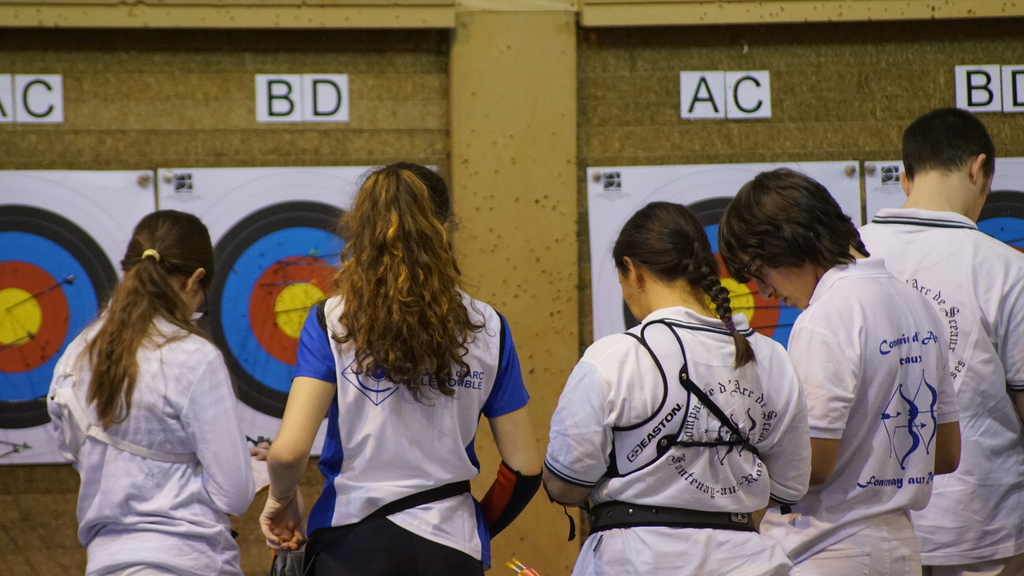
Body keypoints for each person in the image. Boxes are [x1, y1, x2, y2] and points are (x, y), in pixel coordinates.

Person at [259, 163, 542, 576]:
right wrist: (472, 525)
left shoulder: (332, 320)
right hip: (452, 547)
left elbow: (288, 453)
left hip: (351, 543)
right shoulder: (489, 327)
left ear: (362, 231)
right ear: (445, 229)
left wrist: (281, 499)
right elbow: (524, 469)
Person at [544, 201, 812, 576]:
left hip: (637, 562)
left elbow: (565, 485)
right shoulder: (772, 358)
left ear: (633, 271)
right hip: (748, 561)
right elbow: (788, 486)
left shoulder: (612, 358)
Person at [719, 168, 962, 575]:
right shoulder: (916, 304)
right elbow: (946, 453)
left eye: (759, 271)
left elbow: (810, 466)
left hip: (828, 549)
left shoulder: (826, 315)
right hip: (900, 546)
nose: (765, 292)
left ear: (789, 241)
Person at [859, 108, 1024, 576]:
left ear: (905, 179)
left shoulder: (849, 257)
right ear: (978, 169)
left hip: (869, 525)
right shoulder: (1006, 267)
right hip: (981, 527)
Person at [47, 210, 254, 576]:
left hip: (107, 563)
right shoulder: (194, 356)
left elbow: (74, 450)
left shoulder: (75, 355)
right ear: (196, 280)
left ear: (127, 269)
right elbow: (234, 495)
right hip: (190, 562)